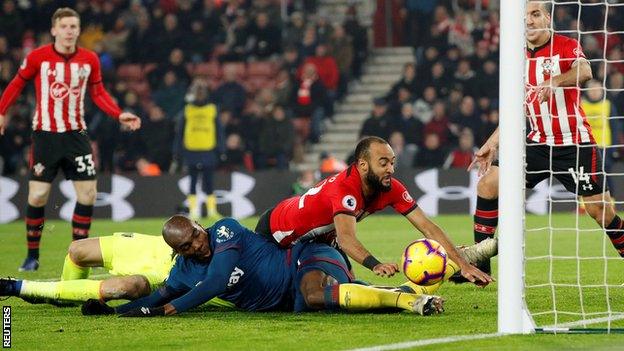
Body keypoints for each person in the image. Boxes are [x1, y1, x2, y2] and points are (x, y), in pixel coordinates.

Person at [468, 1, 624, 276]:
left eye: (535, 14)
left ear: (547, 18)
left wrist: (555, 81)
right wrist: (492, 143)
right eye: (524, 16)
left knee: (600, 212)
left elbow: (585, 71)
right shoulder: (516, 56)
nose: (528, 21)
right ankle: (479, 266)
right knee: (488, 185)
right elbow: (518, 107)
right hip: (536, 143)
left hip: (574, 143)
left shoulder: (565, 45)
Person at [81, 216, 494, 317]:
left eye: (197, 233)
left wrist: (170, 309)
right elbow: (159, 295)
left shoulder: (224, 231)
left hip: (308, 257)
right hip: (287, 299)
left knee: (316, 293)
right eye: (190, 244)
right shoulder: (184, 272)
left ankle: (412, 306)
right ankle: (425, 285)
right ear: (180, 251)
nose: (199, 242)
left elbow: (216, 284)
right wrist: (122, 313)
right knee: (318, 300)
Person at [0, 8, 141, 271]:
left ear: (78, 30)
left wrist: (118, 114)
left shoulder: (89, 59)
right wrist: (1, 111)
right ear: (54, 30)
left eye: (73, 27)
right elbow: (17, 84)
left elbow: (98, 93)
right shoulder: (38, 57)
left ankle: (79, 256)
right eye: (64, 27)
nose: (69, 31)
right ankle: (32, 256)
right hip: (45, 135)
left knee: (88, 194)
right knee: (39, 195)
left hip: (77, 134)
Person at [255, 136, 493, 285]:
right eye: (383, 163)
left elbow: (428, 226)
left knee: (344, 284)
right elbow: (347, 239)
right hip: (276, 235)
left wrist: (464, 265)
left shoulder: (391, 188)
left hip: (320, 239)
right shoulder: (344, 189)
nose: (390, 168)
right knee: (292, 293)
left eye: (392, 162)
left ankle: (459, 261)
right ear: (362, 165)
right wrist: (375, 264)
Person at [0, 231, 232, 309]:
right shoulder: (227, 234)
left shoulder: (239, 264)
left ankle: (16, 286)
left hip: (169, 276)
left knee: (125, 287)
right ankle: (65, 295)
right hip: (154, 247)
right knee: (77, 250)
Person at [179, 82, 224, 219]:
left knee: (209, 181)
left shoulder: (212, 109)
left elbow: (219, 130)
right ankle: (194, 211)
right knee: (193, 181)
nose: (199, 94)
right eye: (196, 91)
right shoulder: (187, 109)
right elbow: (180, 131)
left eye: (201, 91)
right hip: (191, 149)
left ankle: (212, 211)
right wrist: (177, 150)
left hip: (207, 149)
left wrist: (221, 149)